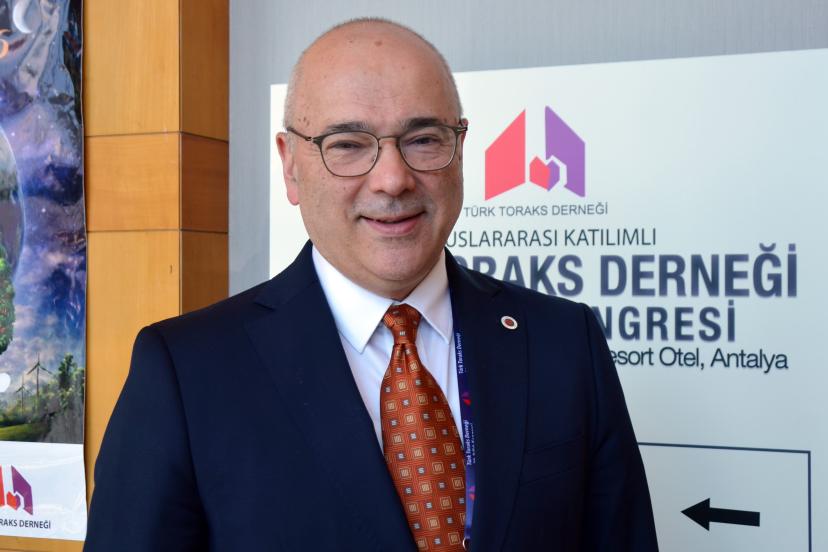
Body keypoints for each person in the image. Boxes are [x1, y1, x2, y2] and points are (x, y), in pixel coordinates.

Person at [85, 18, 658, 552]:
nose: (392, 179)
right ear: (290, 164)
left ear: (460, 149)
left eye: (424, 138)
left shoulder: (564, 341)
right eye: (348, 144)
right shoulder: (187, 373)